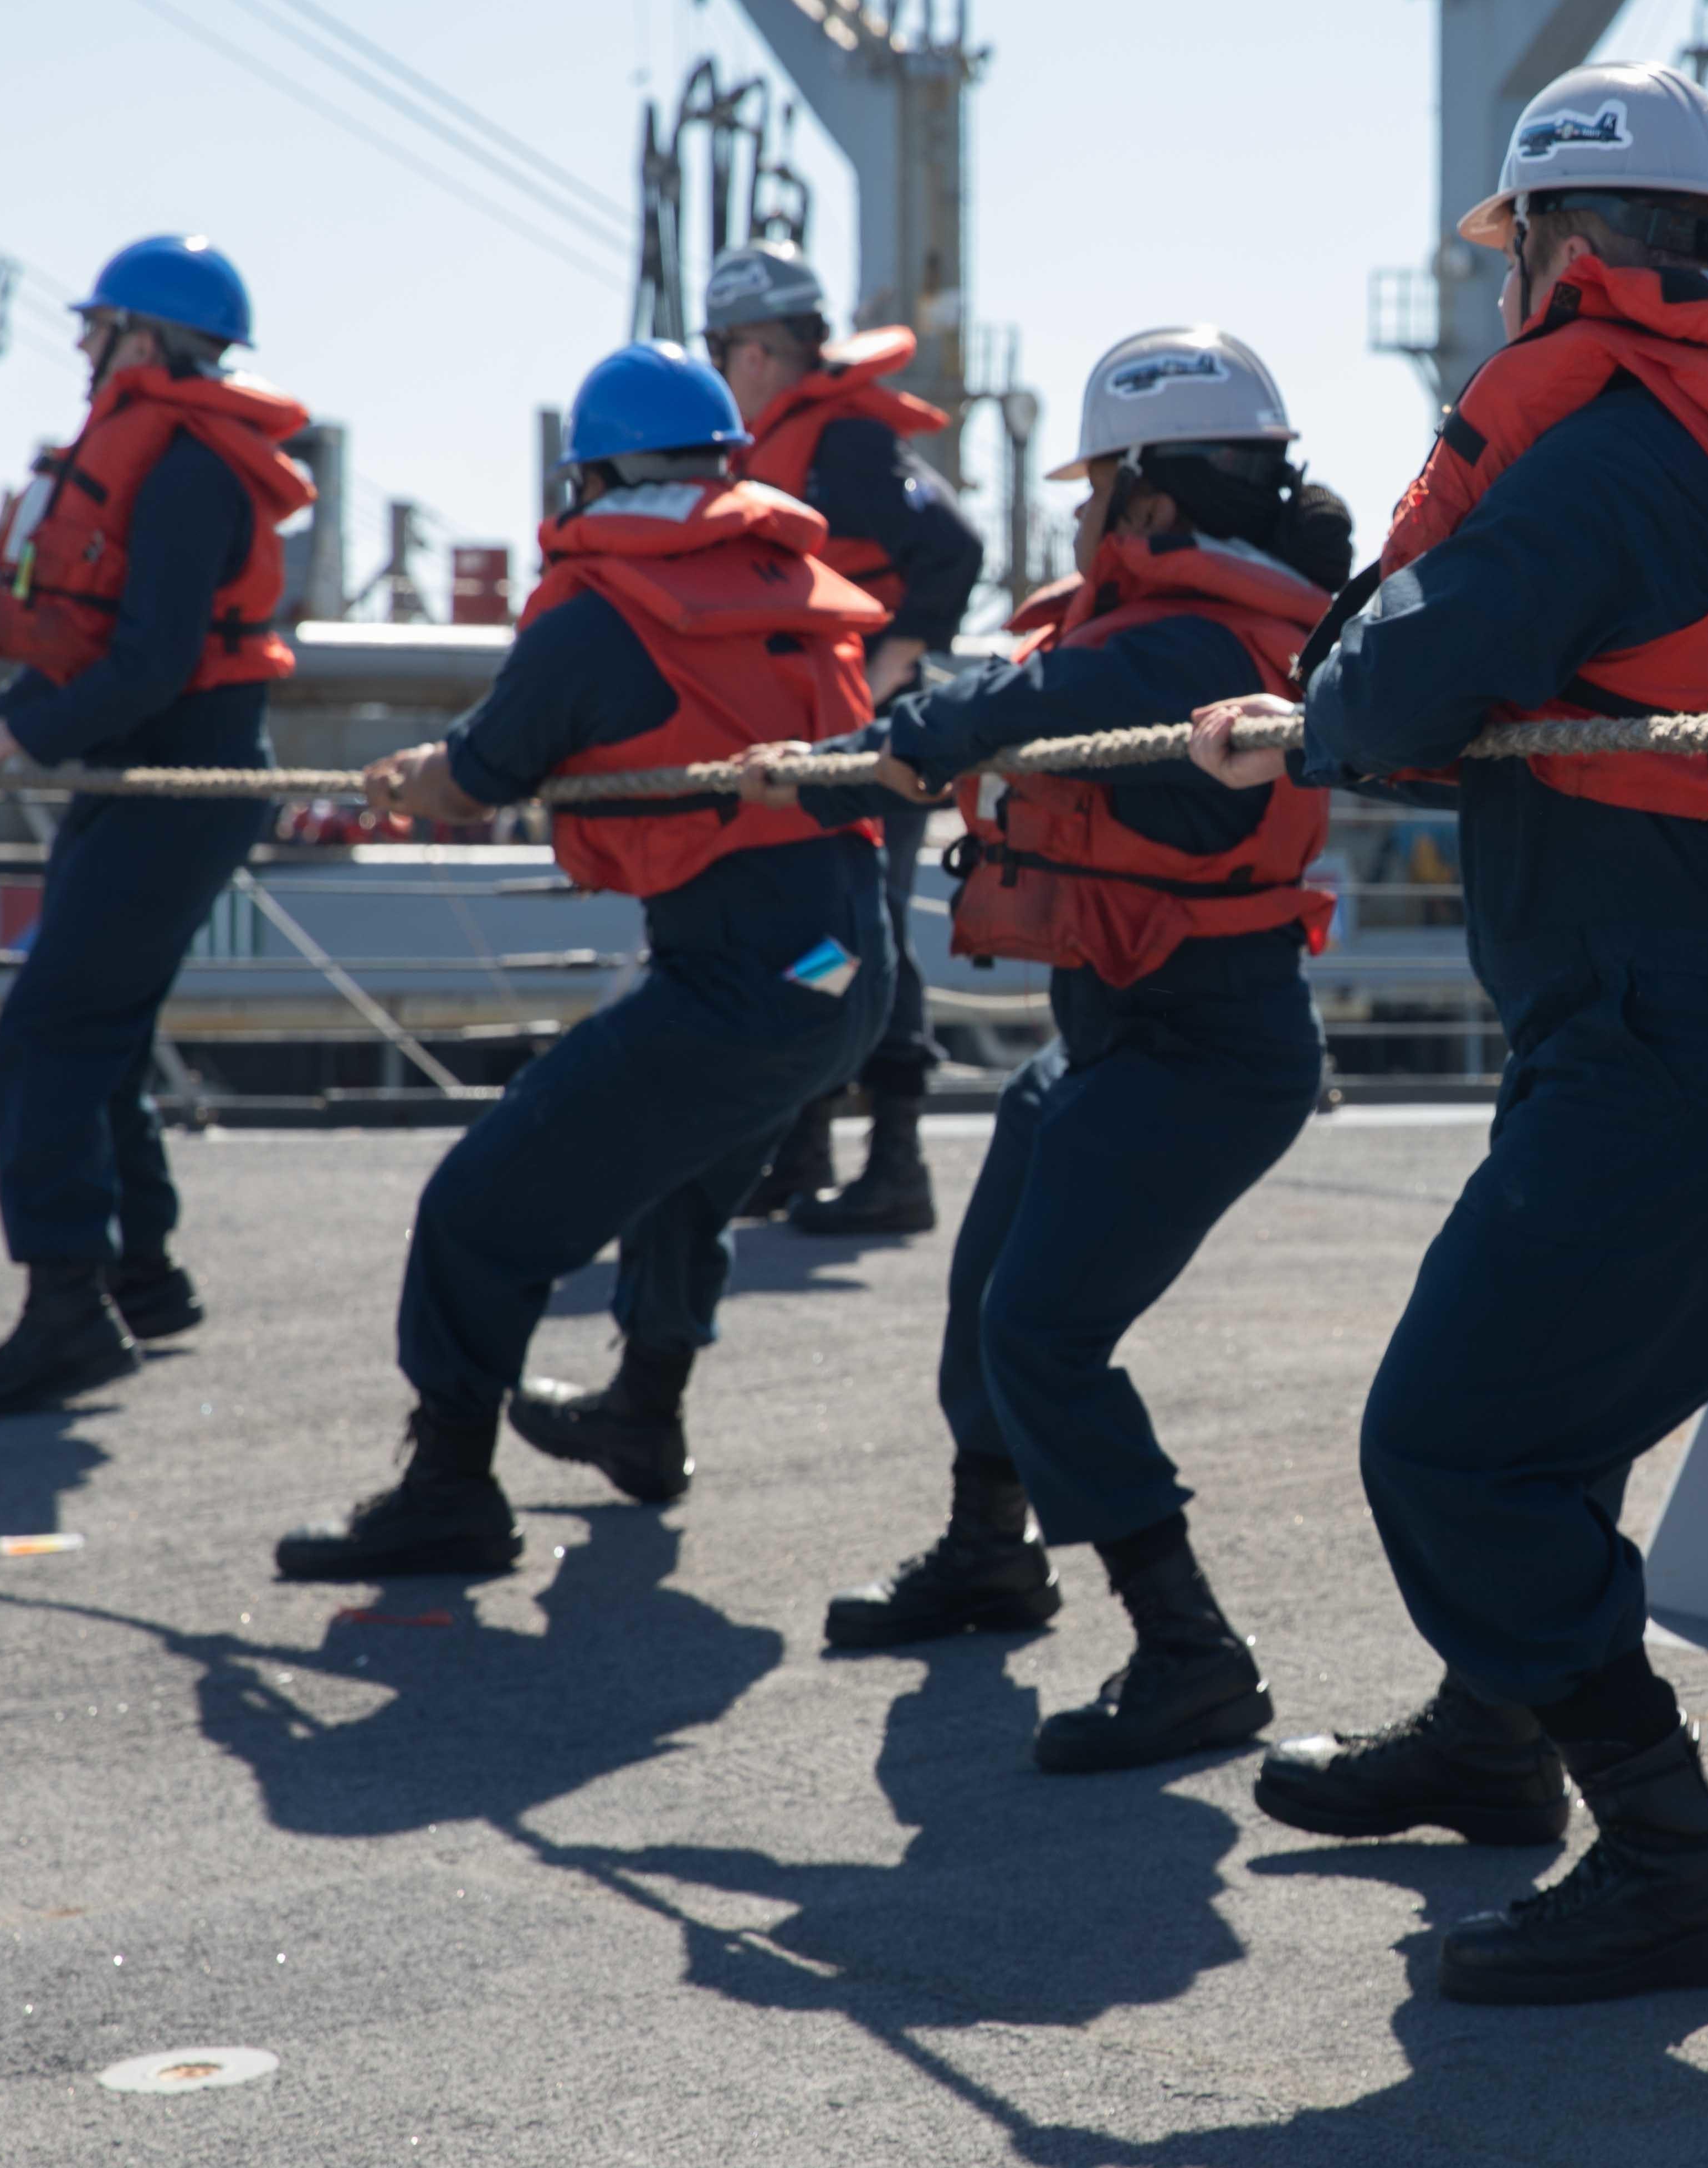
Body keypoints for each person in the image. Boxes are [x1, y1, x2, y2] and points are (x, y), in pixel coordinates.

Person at [1189, 61, 1708, 2005]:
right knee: (1543, 1419)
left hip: (1678, 1049)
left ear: (1560, 254)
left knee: (1453, 1445)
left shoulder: (1604, 452)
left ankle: (1677, 1862)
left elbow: (1405, 671)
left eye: (1518, 258)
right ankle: (1494, 1742)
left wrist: (1322, 706)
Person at [761, 325, 1344, 1775]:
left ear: (1148, 499)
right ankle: (988, 1552)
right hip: (1119, 1030)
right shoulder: (1185, 627)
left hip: (1206, 1045)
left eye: (1096, 494)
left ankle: (1188, 1650)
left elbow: (1034, 703)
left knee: (1045, 1331)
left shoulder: (1194, 646)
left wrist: (886, 741)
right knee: (988, 1295)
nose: (1079, 519)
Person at [272, 341, 893, 1579]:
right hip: (846, 970)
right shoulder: (791, 579)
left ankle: (450, 1485)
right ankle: (643, 1419)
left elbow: (481, 771)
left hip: (740, 980)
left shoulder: (603, 602)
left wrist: (408, 780)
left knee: (477, 1209)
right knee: (683, 1180)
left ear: (593, 475)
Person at [0, 235, 315, 1421]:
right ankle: (140, 1271)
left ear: (145, 337)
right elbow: (104, 651)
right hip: (144, 768)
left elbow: (149, 663)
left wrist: (11, 741)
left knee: (48, 1031)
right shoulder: (170, 451)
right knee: (101, 1023)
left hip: (181, 775)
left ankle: (69, 1313)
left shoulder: (185, 466)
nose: (82, 349)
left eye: (97, 329)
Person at [702, 242, 983, 1236]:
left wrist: (897, 663)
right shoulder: (794, 437)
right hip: (820, 737)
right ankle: (806, 1148)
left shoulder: (843, 444)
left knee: (863, 936)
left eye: (723, 345)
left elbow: (950, 546)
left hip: (866, 738)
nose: (721, 367)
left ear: (762, 350)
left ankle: (896, 1161)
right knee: (818, 938)